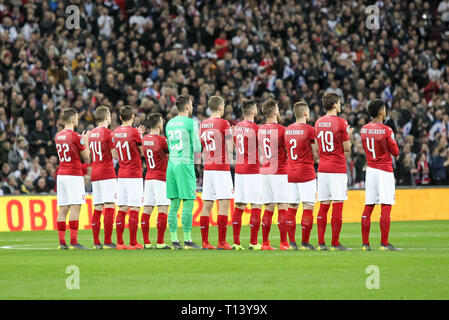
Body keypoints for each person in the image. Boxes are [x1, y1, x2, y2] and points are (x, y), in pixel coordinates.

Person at [314, 92, 354, 251]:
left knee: (324, 204)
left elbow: (317, 149)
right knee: (337, 204)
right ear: (334, 104)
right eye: (338, 103)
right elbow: (347, 148)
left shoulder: (317, 123)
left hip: (323, 168)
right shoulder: (342, 123)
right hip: (337, 168)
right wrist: (348, 135)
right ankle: (335, 243)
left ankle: (321, 243)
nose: (340, 105)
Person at [360, 99, 401, 251]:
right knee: (385, 205)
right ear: (380, 112)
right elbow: (396, 152)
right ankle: (384, 243)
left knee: (368, 206)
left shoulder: (363, 129)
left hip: (370, 170)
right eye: (384, 109)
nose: (385, 111)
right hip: (384, 170)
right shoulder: (387, 130)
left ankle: (365, 244)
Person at [165, 95, 202, 250]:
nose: (192, 107)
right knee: (187, 203)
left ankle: (174, 241)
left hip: (171, 164)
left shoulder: (169, 123)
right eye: (191, 104)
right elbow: (198, 148)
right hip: (185, 164)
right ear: (187, 106)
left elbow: (168, 145)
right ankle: (187, 240)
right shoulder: (190, 123)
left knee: (173, 204)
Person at [199, 96, 234, 250]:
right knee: (224, 204)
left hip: (208, 168)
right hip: (221, 168)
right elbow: (230, 147)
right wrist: (231, 134)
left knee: (207, 204)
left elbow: (202, 145)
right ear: (221, 107)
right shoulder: (224, 123)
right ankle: (222, 242)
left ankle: (205, 242)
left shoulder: (203, 124)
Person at [285, 101, 319, 251]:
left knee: (292, 207)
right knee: (308, 206)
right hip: (306, 172)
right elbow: (316, 154)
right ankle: (305, 243)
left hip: (291, 172)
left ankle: (291, 243)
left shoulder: (288, 130)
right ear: (305, 113)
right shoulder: (310, 130)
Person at [55, 108, 90, 250]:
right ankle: (74, 242)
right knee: (75, 207)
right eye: (77, 118)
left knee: (63, 209)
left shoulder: (58, 136)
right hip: (73, 175)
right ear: (74, 119)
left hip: (61, 174)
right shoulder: (76, 136)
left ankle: (62, 243)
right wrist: (85, 141)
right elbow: (87, 157)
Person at [258, 99, 289, 250]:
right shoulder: (282, 130)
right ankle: (284, 243)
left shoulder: (260, 130)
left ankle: (265, 243)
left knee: (269, 207)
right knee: (282, 205)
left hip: (265, 170)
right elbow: (288, 151)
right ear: (275, 111)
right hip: (279, 170)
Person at [112, 105, 145, 250]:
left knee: (122, 207)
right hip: (134, 174)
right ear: (133, 117)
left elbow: (114, 155)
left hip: (122, 173)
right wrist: (140, 136)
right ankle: (133, 242)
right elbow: (143, 152)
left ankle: (120, 243)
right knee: (135, 208)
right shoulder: (134, 133)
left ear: (120, 117)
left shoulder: (115, 132)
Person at [232, 99, 262, 250]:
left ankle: (236, 243)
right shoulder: (256, 128)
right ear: (252, 111)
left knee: (239, 205)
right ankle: (254, 242)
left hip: (239, 170)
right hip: (252, 170)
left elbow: (233, 146)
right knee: (256, 204)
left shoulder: (236, 127)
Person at [88, 106, 119, 250]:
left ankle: (96, 242)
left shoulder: (91, 133)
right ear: (107, 117)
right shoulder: (108, 133)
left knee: (98, 207)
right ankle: (107, 241)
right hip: (107, 172)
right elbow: (115, 156)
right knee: (109, 206)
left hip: (95, 172)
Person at [141, 113, 172, 250]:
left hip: (148, 178)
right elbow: (172, 154)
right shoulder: (162, 140)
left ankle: (146, 242)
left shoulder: (144, 139)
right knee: (163, 208)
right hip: (161, 178)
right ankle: (160, 242)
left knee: (147, 208)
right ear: (159, 124)